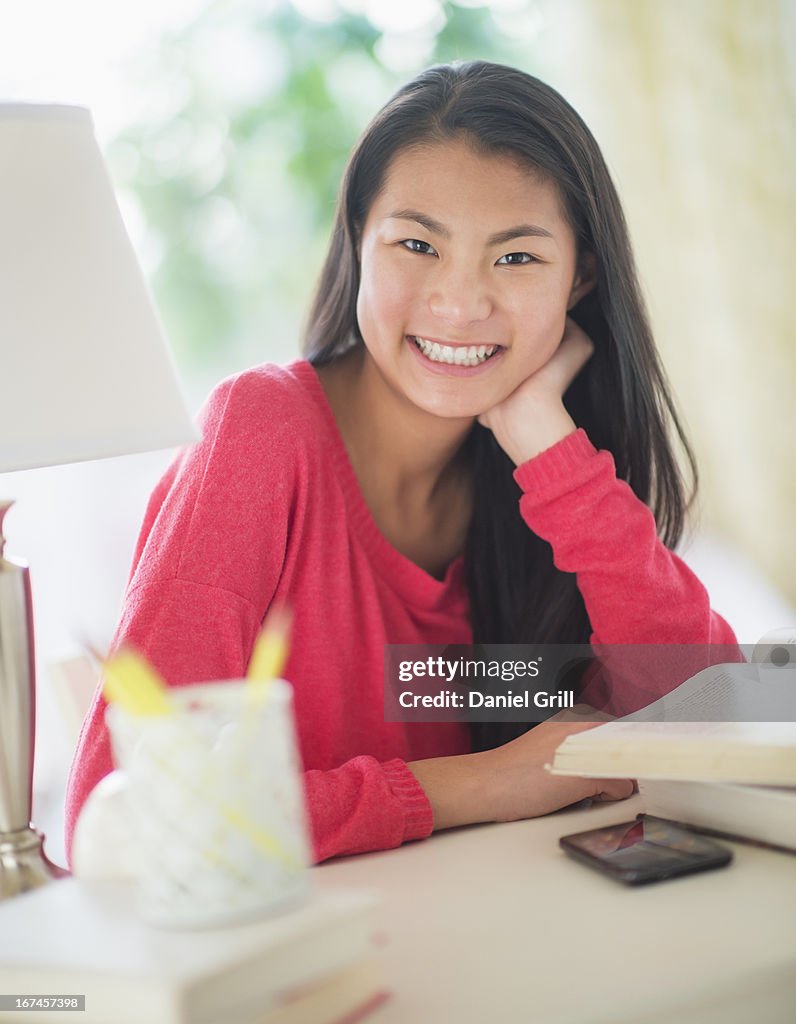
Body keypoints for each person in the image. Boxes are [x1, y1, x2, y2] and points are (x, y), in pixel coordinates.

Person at [65, 60, 737, 864]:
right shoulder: (261, 432)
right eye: (418, 244)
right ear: (357, 238)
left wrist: (549, 449)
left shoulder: (536, 480)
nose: (459, 302)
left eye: (516, 258)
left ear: (580, 276)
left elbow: (708, 718)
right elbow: (133, 811)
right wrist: (480, 782)